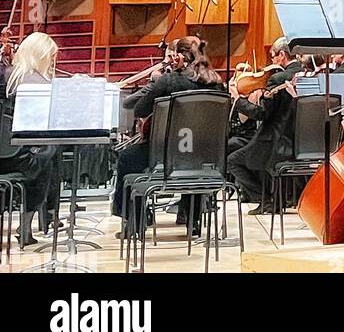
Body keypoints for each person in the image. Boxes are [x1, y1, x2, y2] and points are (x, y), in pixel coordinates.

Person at [112, 36, 223, 231]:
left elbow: (139, 110)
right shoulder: (217, 84)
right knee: (192, 154)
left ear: (180, 57)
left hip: (164, 156)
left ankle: (133, 221)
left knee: (126, 158)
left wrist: (156, 81)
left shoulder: (169, 81)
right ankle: (192, 219)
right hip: (204, 158)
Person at [227, 37, 302, 212]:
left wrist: (238, 100)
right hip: (298, 140)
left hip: (275, 141)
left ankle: (264, 198)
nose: (272, 61)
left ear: (282, 55)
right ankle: (273, 198)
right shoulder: (306, 74)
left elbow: (263, 114)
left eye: (273, 57)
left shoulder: (278, 78)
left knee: (233, 161)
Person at [0, 31, 60, 245]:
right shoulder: (38, 82)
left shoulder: (7, 74)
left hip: (5, 150)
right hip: (17, 156)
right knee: (48, 153)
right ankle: (28, 225)